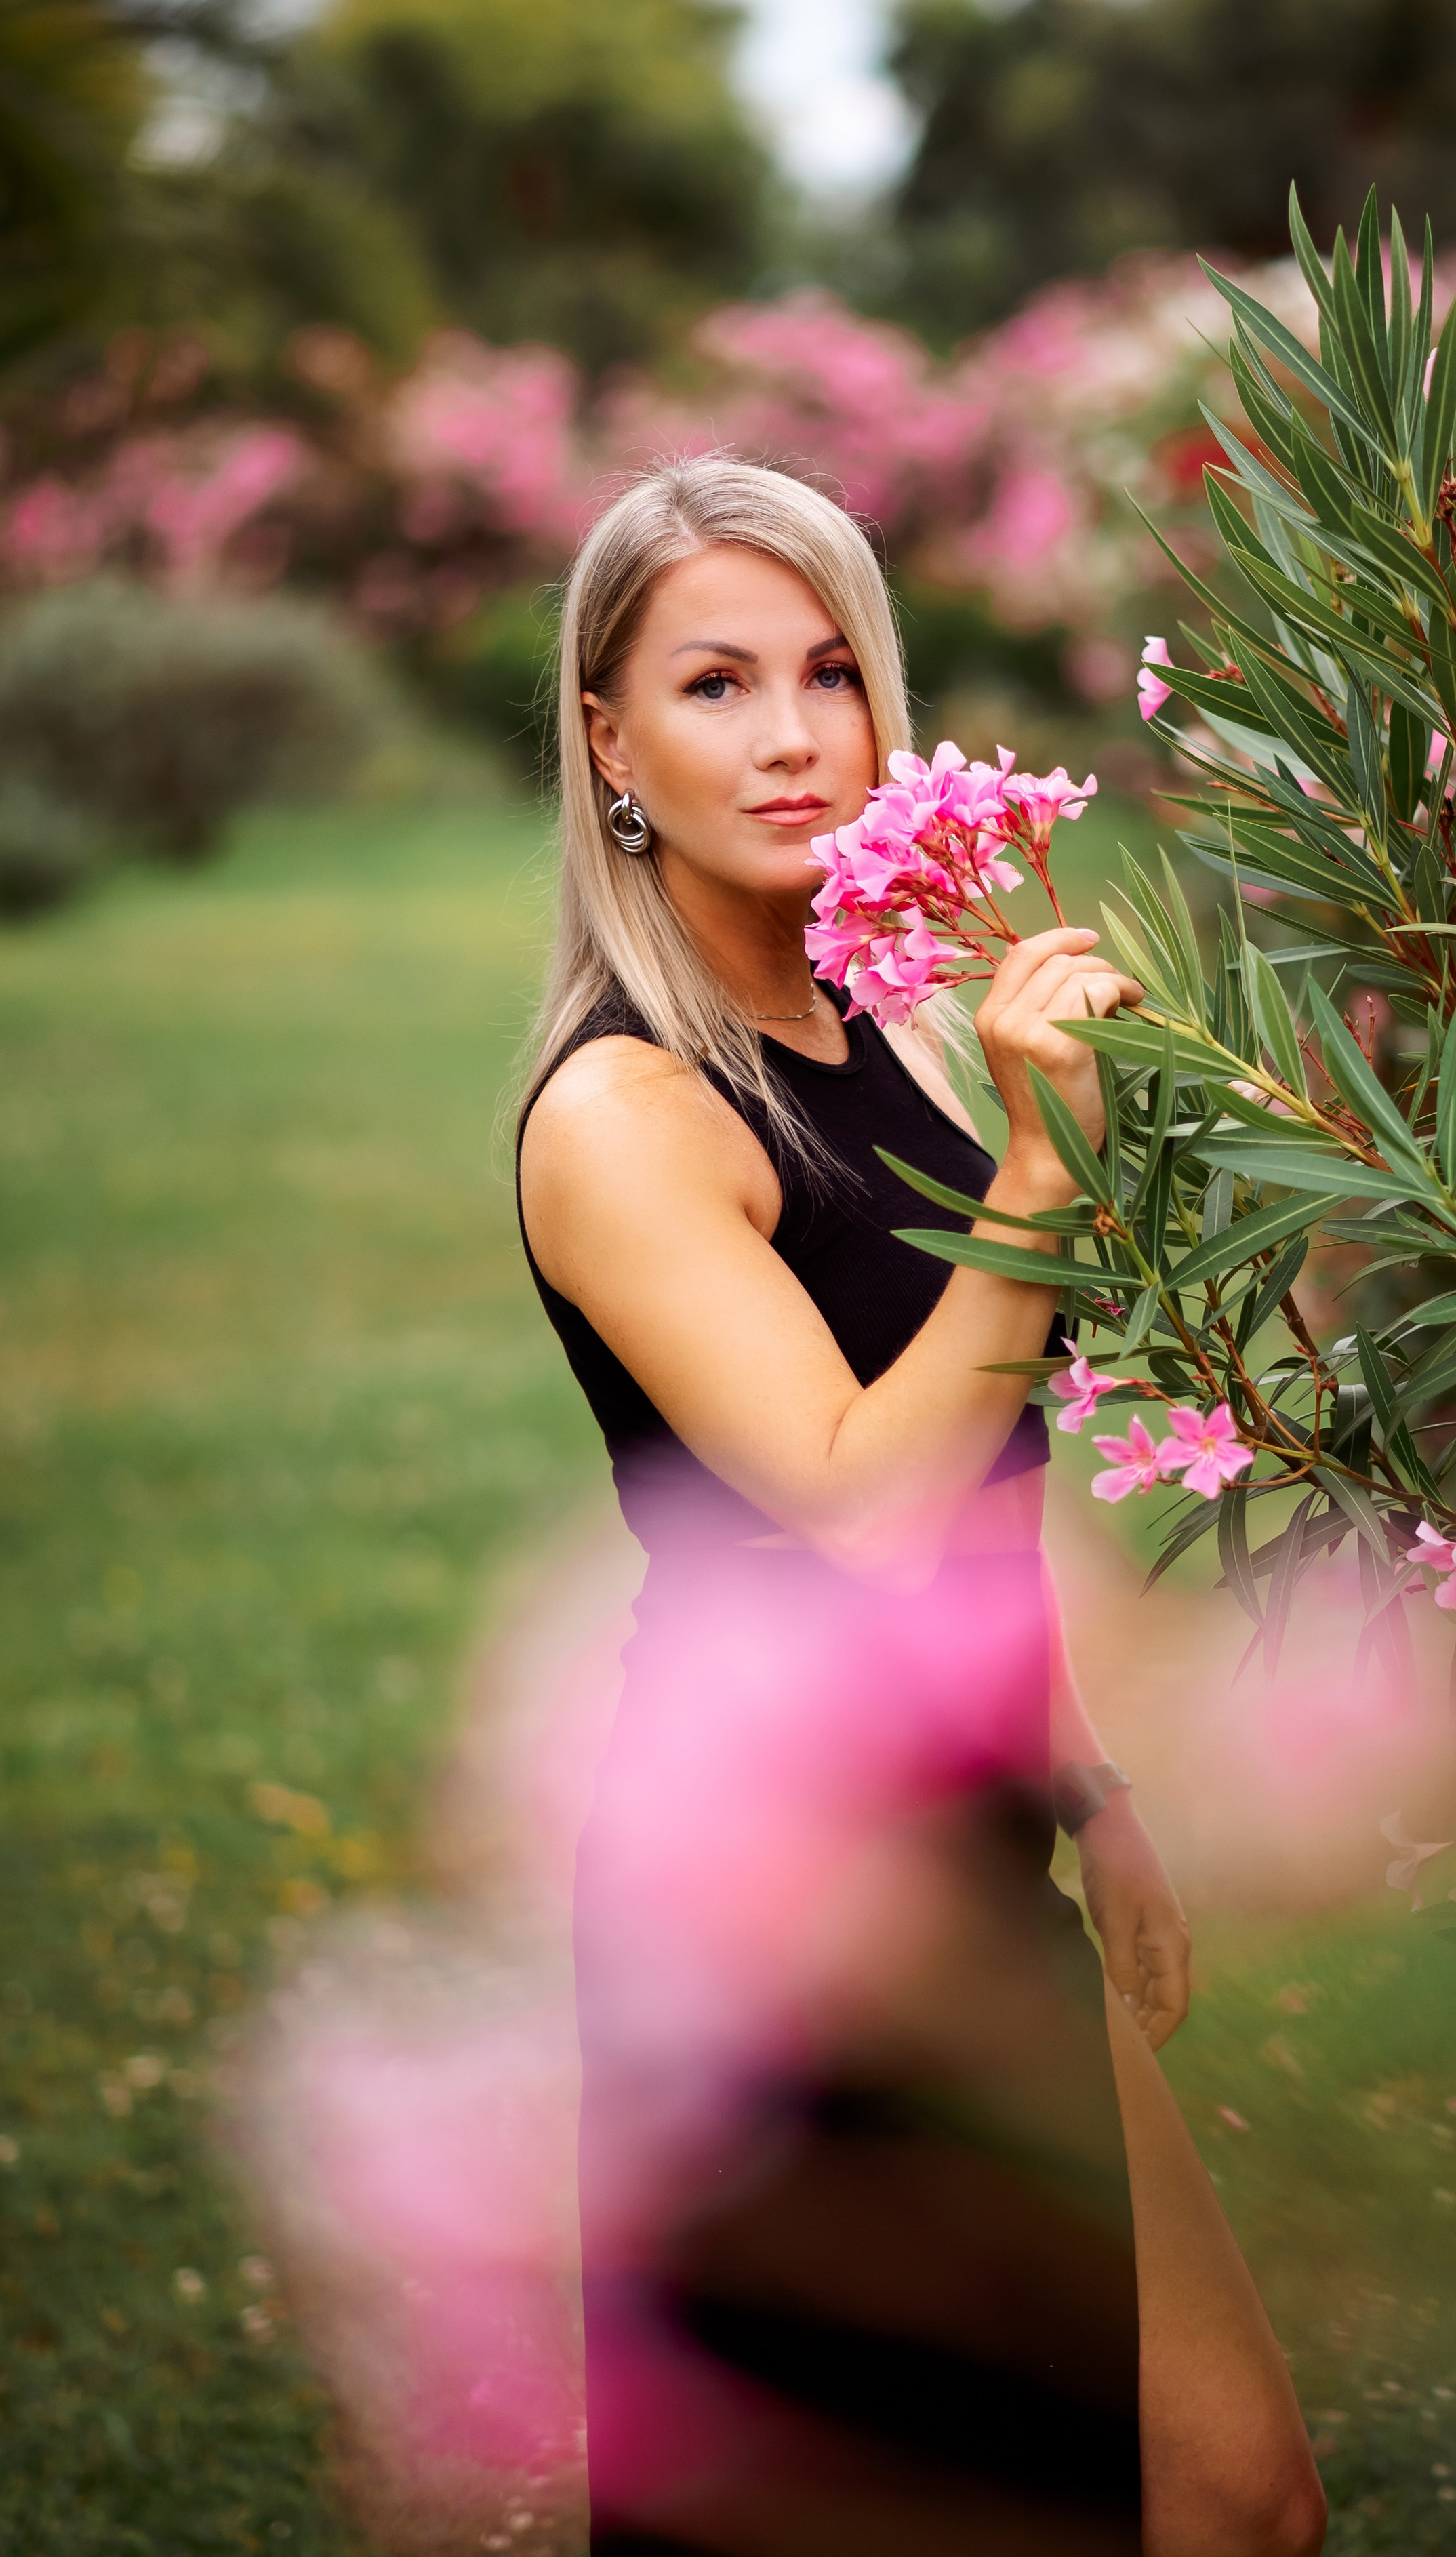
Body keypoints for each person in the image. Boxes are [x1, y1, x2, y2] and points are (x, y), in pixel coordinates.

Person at [516, 455, 1326, 2557]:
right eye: (713, 683)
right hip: (788, 1896)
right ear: (607, 738)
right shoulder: (628, 1114)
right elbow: (866, 1501)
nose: (790, 737)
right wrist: (1045, 1171)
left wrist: (1086, 1783)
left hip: (968, 1821)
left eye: (828, 675)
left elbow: (981, 1483)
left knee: (1236, 2492)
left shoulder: (870, 1021)